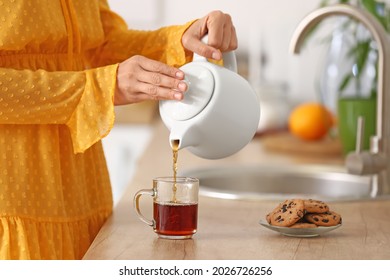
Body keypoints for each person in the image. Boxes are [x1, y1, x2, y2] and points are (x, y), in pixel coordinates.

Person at [0, 0, 237, 260]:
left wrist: (180, 40)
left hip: (83, 187)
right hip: (13, 192)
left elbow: (101, 42)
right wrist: (95, 87)